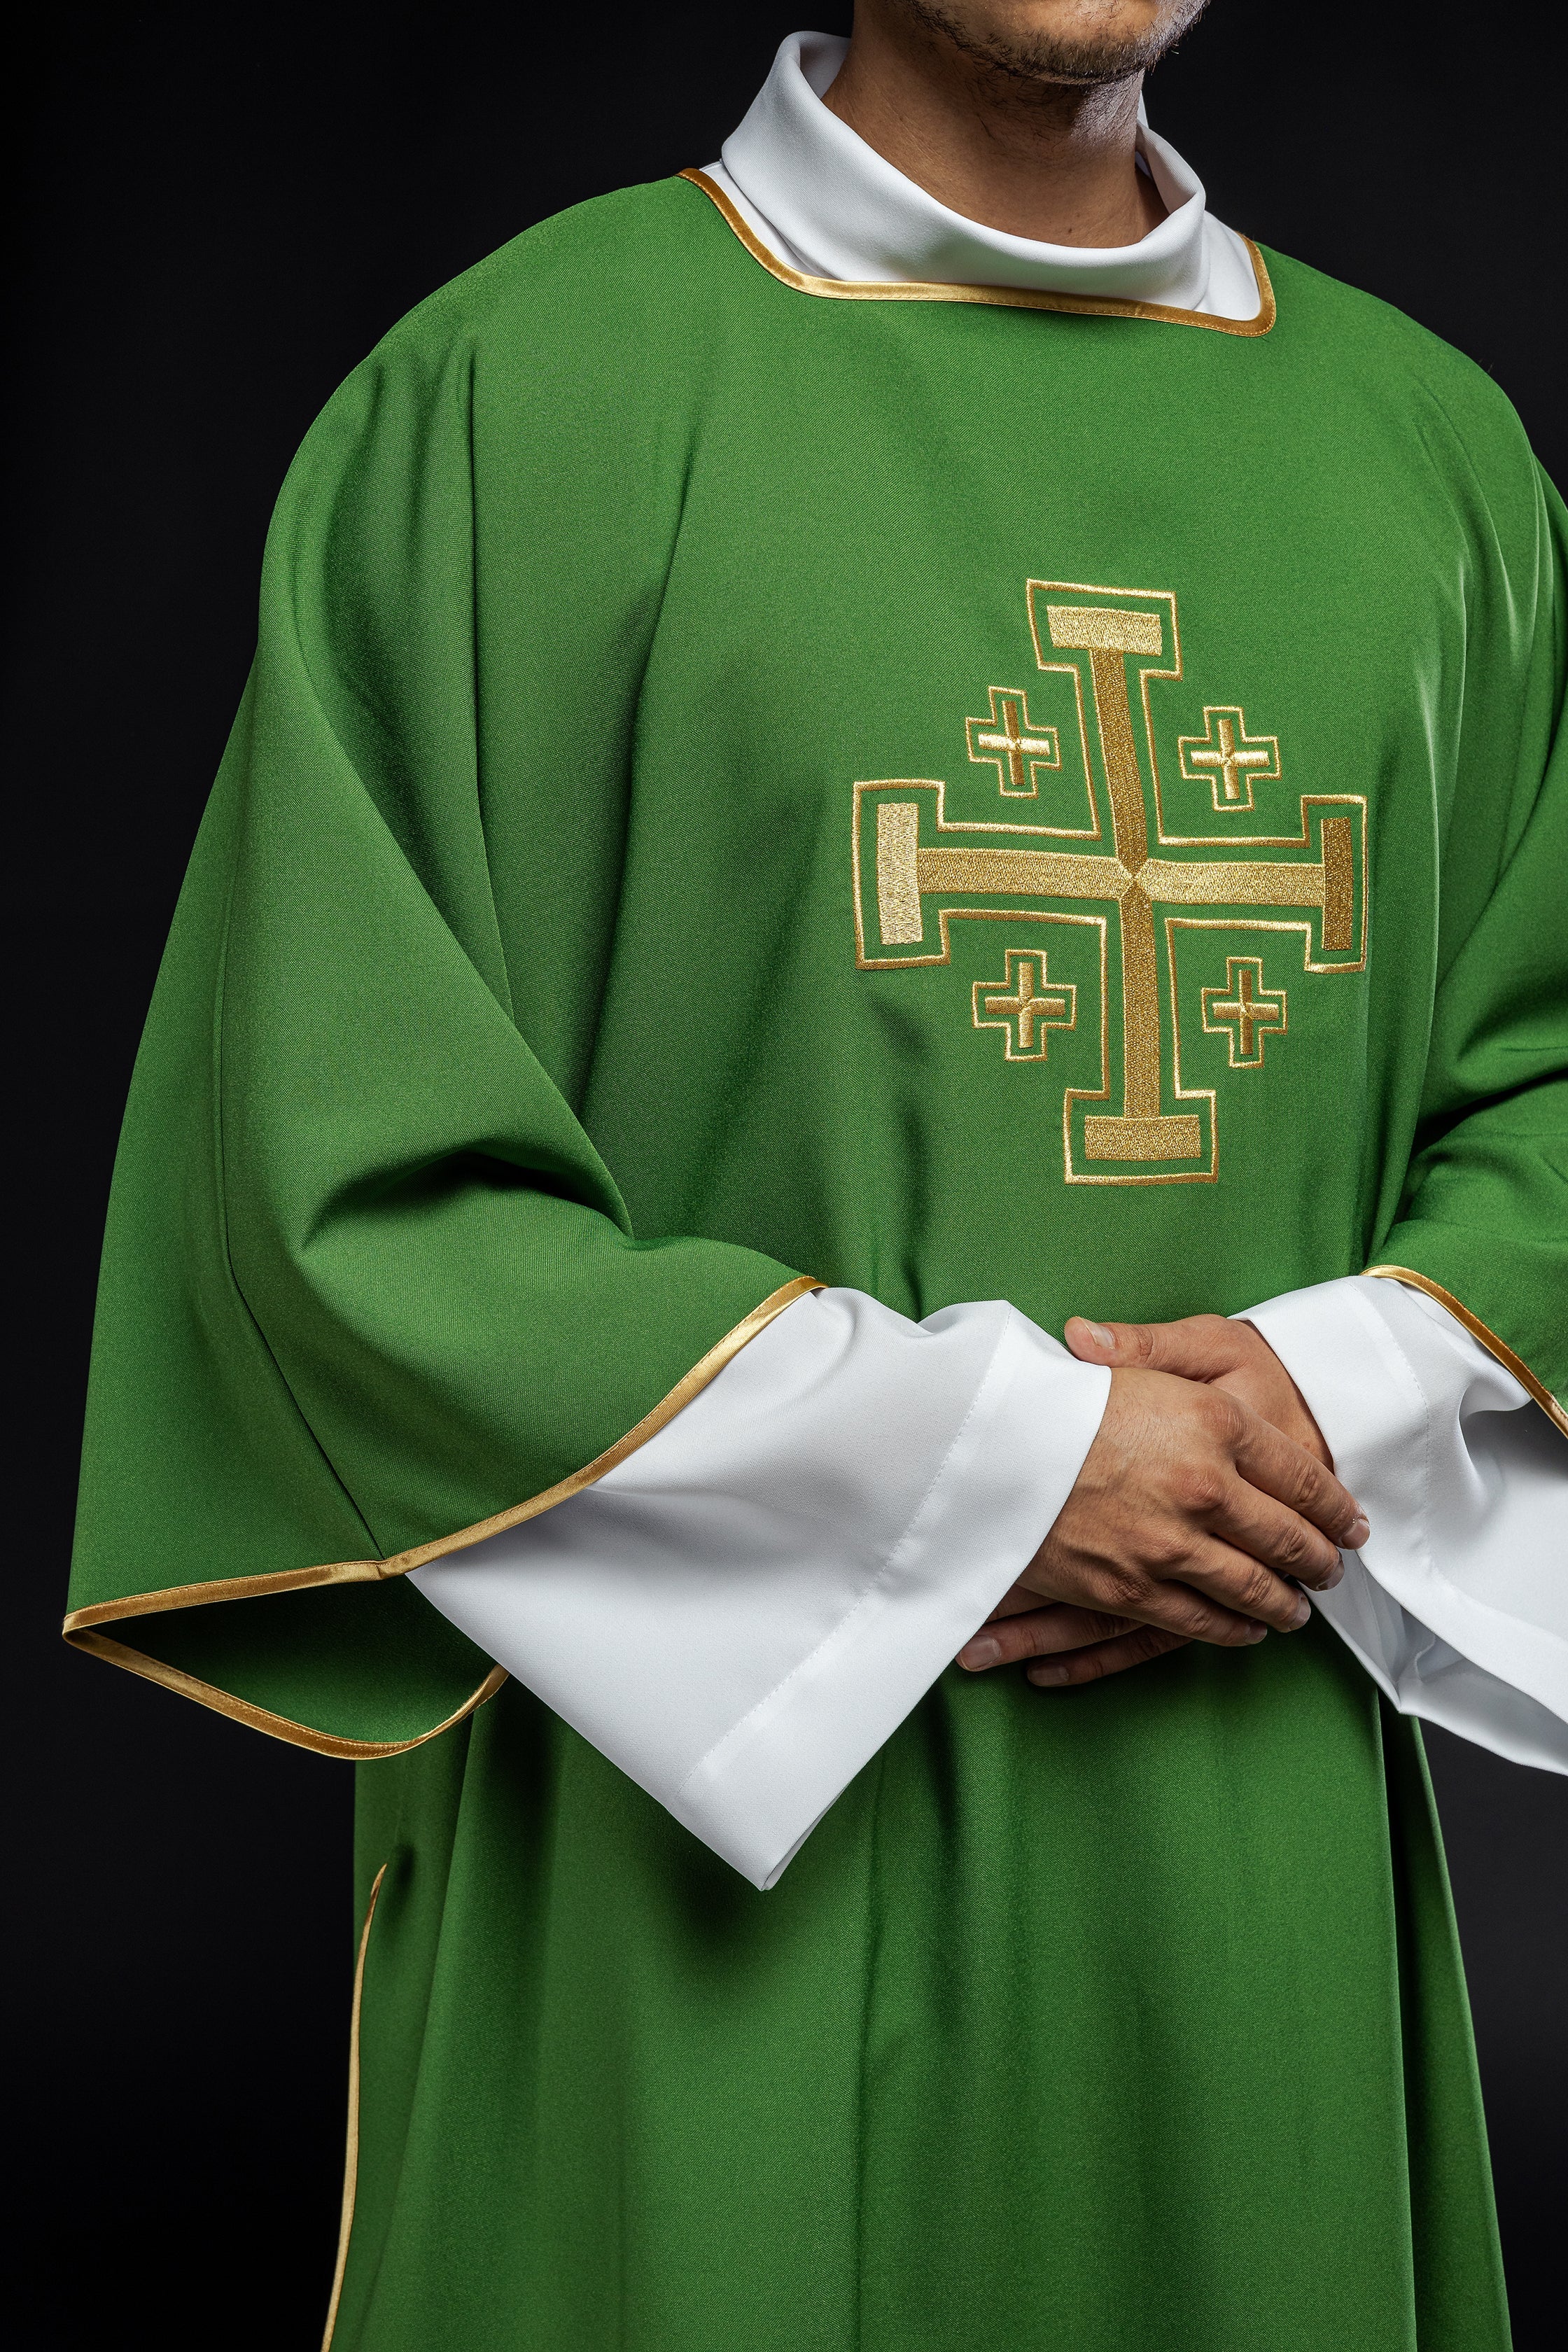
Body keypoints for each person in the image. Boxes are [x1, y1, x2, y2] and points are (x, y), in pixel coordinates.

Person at [67, 6, 1566, 2346]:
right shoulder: (514, 402)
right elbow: (341, 1195)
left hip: (1240, 1856)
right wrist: (983, 1466)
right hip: (675, 1889)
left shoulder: (1446, 465)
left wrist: (1321, 1393)